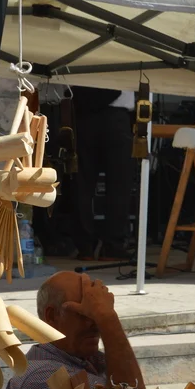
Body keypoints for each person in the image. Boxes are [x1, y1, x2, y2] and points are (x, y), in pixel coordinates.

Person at [5, 271, 144, 389]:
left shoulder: (88, 358)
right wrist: (107, 317)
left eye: (96, 314)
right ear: (52, 316)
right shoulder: (38, 376)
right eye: (84, 314)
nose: (95, 324)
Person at [69, 87, 135, 260]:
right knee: (119, 184)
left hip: (84, 113)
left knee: (82, 184)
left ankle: (85, 247)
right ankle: (113, 245)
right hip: (115, 115)